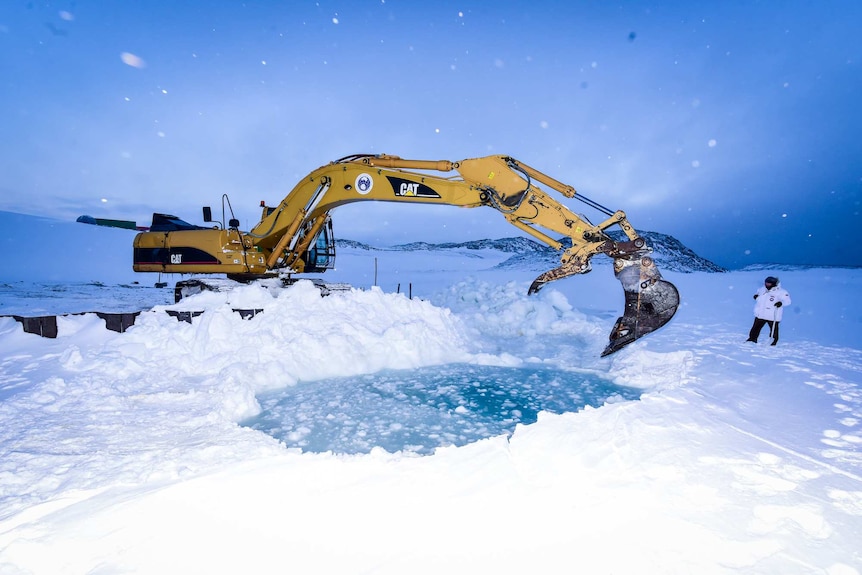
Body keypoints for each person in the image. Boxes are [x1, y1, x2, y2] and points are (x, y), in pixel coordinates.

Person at [746, 276, 791, 345]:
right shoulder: (762, 289)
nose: (767, 285)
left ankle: (773, 342)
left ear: (774, 284)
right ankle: (752, 339)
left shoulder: (781, 292)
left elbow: (788, 301)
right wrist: (756, 296)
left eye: (769, 284)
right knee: (755, 328)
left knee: (773, 330)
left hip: (772, 315)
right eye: (766, 283)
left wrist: (781, 303)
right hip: (761, 313)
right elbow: (758, 295)